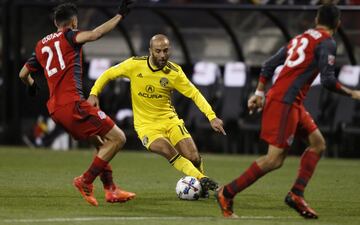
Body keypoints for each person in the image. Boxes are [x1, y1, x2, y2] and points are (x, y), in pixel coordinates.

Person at [215, 3, 360, 219]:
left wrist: (259, 92)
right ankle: (227, 192)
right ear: (338, 24)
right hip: (285, 102)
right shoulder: (327, 42)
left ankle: (296, 194)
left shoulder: (300, 38)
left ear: (316, 19)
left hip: (290, 101)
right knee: (274, 159)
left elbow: (268, 65)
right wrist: (352, 93)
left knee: (318, 144)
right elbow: (328, 80)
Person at [19, 1, 136, 206]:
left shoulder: (40, 45)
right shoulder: (69, 35)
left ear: (56, 22)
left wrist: (31, 85)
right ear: (73, 21)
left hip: (55, 110)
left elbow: (23, 74)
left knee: (100, 143)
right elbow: (95, 34)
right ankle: (85, 181)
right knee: (118, 139)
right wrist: (120, 16)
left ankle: (111, 190)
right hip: (73, 104)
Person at [88, 34, 225, 196]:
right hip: (146, 127)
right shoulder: (134, 65)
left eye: (166, 51)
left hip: (170, 121)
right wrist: (94, 93)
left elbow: (194, 94)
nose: (162, 55)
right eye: (158, 51)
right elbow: (108, 74)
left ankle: (200, 186)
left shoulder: (174, 72)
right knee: (168, 150)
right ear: (150, 51)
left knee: (193, 157)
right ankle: (203, 179)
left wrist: (212, 116)